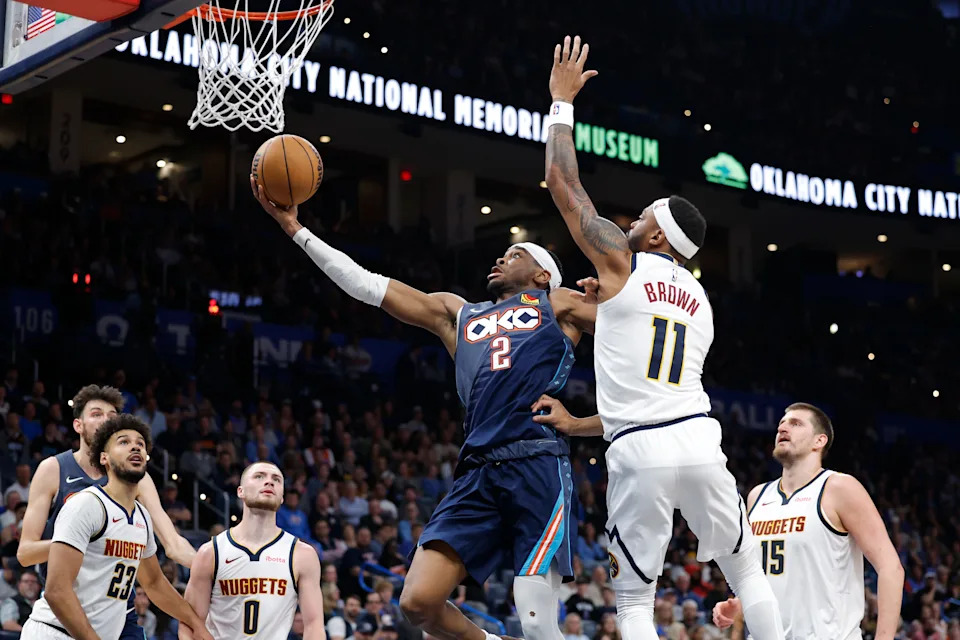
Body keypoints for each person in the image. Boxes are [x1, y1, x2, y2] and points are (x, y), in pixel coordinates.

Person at [254, 174, 597, 640]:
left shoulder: (559, 303)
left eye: (516, 254)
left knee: (536, 622)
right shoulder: (459, 313)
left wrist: (584, 422)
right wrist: (296, 230)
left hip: (535, 462)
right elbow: (368, 286)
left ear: (542, 275)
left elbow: (647, 344)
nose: (501, 257)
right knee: (417, 603)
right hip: (478, 469)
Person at [538, 35, 783, 640]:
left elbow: (562, 186)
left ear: (656, 238)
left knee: (634, 603)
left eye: (642, 217)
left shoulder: (622, 263)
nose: (630, 220)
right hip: (697, 440)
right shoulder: (703, 305)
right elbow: (642, 362)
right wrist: (602, 311)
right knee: (748, 573)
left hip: (639, 449)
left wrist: (562, 102)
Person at [17, 384, 197, 640]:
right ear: (78, 425)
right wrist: (83, 540)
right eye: (96, 414)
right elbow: (25, 553)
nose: (105, 421)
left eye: (112, 416)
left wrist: (211, 567)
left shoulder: (136, 478)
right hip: (70, 599)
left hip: (118, 606)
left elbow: (173, 544)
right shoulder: (53, 469)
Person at [712, 403, 904, 639]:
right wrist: (740, 604)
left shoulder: (839, 488)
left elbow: (890, 568)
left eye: (796, 424)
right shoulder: (758, 496)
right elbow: (767, 572)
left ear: (819, 441)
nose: (783, 428)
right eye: (781, 424)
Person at [180, 461, 325, 639]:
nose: (269, 482)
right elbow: (190, 624)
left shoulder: (302, 555)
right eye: (259, 476)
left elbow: (314, 626)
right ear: (240, 491)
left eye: (276, 480)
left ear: (282, 498)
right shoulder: (211, 552)